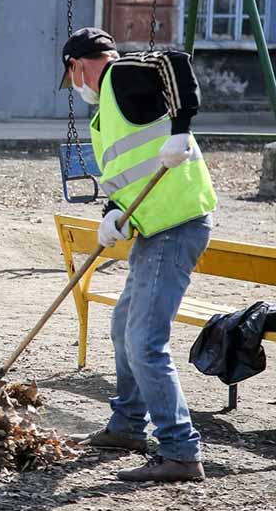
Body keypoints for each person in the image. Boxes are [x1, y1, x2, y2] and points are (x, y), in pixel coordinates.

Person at [61, 28, 217, 482]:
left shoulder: (120, 74)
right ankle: (128, 426)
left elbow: (176, 62)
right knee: (122, 325)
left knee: (145, 341)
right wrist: (113, 213)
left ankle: (181, 451)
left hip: (176, 223)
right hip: (154, 227)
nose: (76, 87)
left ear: (76, 64)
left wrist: (183, 130)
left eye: (72, 76)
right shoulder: (110, 105)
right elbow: (130, 171)